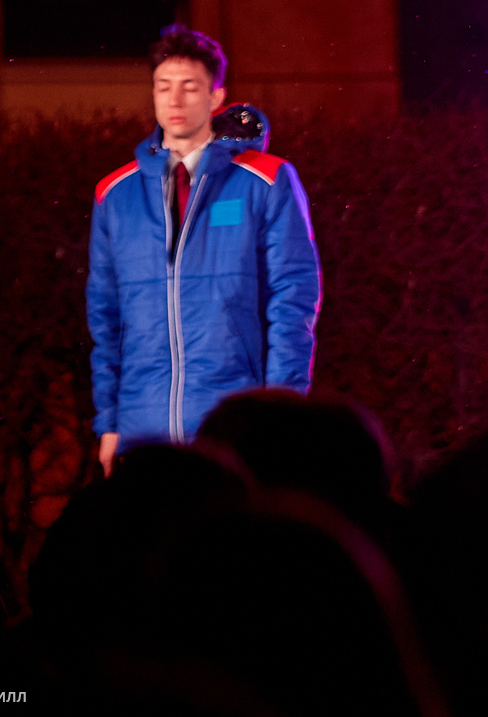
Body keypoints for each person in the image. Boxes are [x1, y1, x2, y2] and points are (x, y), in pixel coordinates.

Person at [86, 25, 323, 471]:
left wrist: (279, 417)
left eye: (190, 87)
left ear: (216, 97)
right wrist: (110, 423)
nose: (174, 100)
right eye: (164, 87)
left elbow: (293, 301)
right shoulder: (114, 193)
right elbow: (106, 316)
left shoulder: (267, 180)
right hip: (143, 431)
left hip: (236, 429)